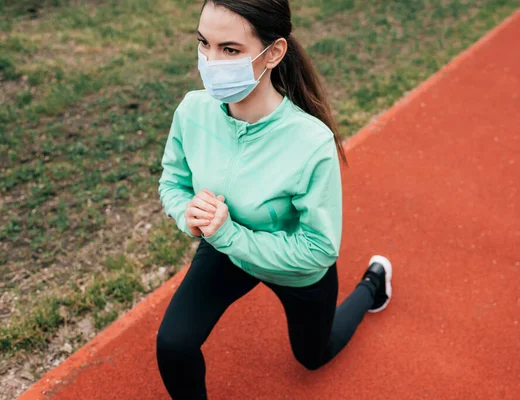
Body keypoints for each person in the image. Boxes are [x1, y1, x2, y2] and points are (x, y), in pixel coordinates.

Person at [155, 0, 393, 398]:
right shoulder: (192, 110)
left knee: (313, 357)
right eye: (203, 44)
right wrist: (187, 213)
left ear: (274, 53)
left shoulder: (310, 142)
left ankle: (372, 286)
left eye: (230, 49)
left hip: (293, 267)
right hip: (225, 249)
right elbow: (173, 183)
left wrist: (230, 236)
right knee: (173, 345)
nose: (211, 62)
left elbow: (319, 249)